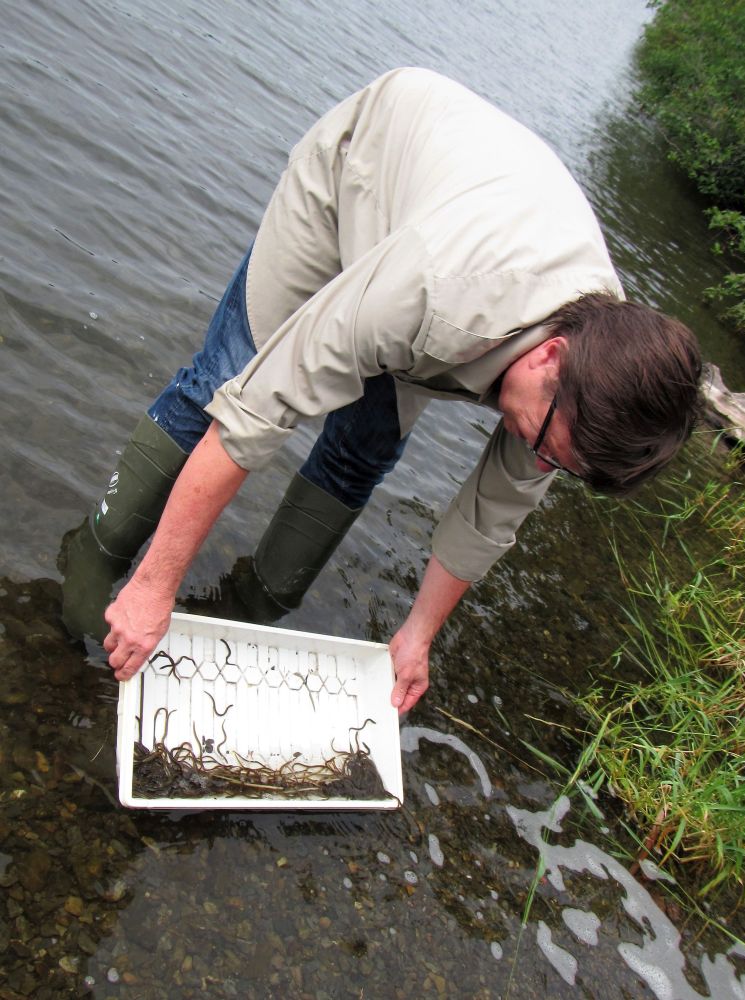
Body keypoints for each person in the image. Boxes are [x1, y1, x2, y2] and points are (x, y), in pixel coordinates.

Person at [59, 68, 702, 713]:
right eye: (544, 443)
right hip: (358, 183)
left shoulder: (599, 379)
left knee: (362, 449)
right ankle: (99, 553)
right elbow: (257, 410)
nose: (538, 459)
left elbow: (492, 515)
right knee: (225, 382)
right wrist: (155, 585)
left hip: (456, 234)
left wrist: (416, 637)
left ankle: (250, 607)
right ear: (550, 358)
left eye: (555, 459)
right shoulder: (439, 292)